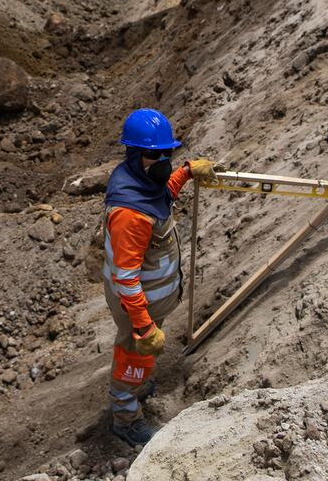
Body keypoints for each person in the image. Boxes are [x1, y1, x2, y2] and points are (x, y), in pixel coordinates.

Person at [101, 108, 214, 446]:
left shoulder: (144, 182)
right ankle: (126, 417)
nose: (163, 159)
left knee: (141, 357)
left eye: (169, 153)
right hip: (139, 308)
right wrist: (143, 326)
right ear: (135, 154)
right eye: (155, 154)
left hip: (152, 302)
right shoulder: (130, 213)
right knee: (131, 357)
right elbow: (125, 277)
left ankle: (137, 384)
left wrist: (185, 173)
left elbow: (162, 195)